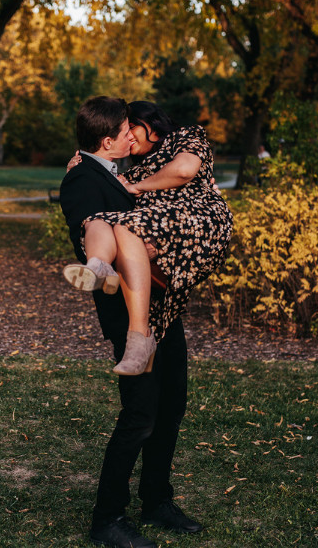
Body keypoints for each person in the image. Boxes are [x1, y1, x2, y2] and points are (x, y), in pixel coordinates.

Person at [60, 96, 204, 547]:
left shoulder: (121, 173)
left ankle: (157, 500)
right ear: (107, 140)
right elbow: (92, 237)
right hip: (129, 318)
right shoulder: (82, 178)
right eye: (126, 130)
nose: (133, 135)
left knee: (171, 408)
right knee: (140, 415)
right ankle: (108, 519)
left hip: (165, 311)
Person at [63, 99, 234, 376]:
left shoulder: (187, 136)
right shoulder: (135, 169)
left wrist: (137, 187)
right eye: (124, 131)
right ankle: (98, 267)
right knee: (101, 221)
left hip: (199, 221)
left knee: (125, 226)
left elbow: (184, 171)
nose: (129, 136)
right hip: (163, 242)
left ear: (151, 124)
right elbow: (99, 187)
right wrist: (79, 165)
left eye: (132, 128)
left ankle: (138, 337)